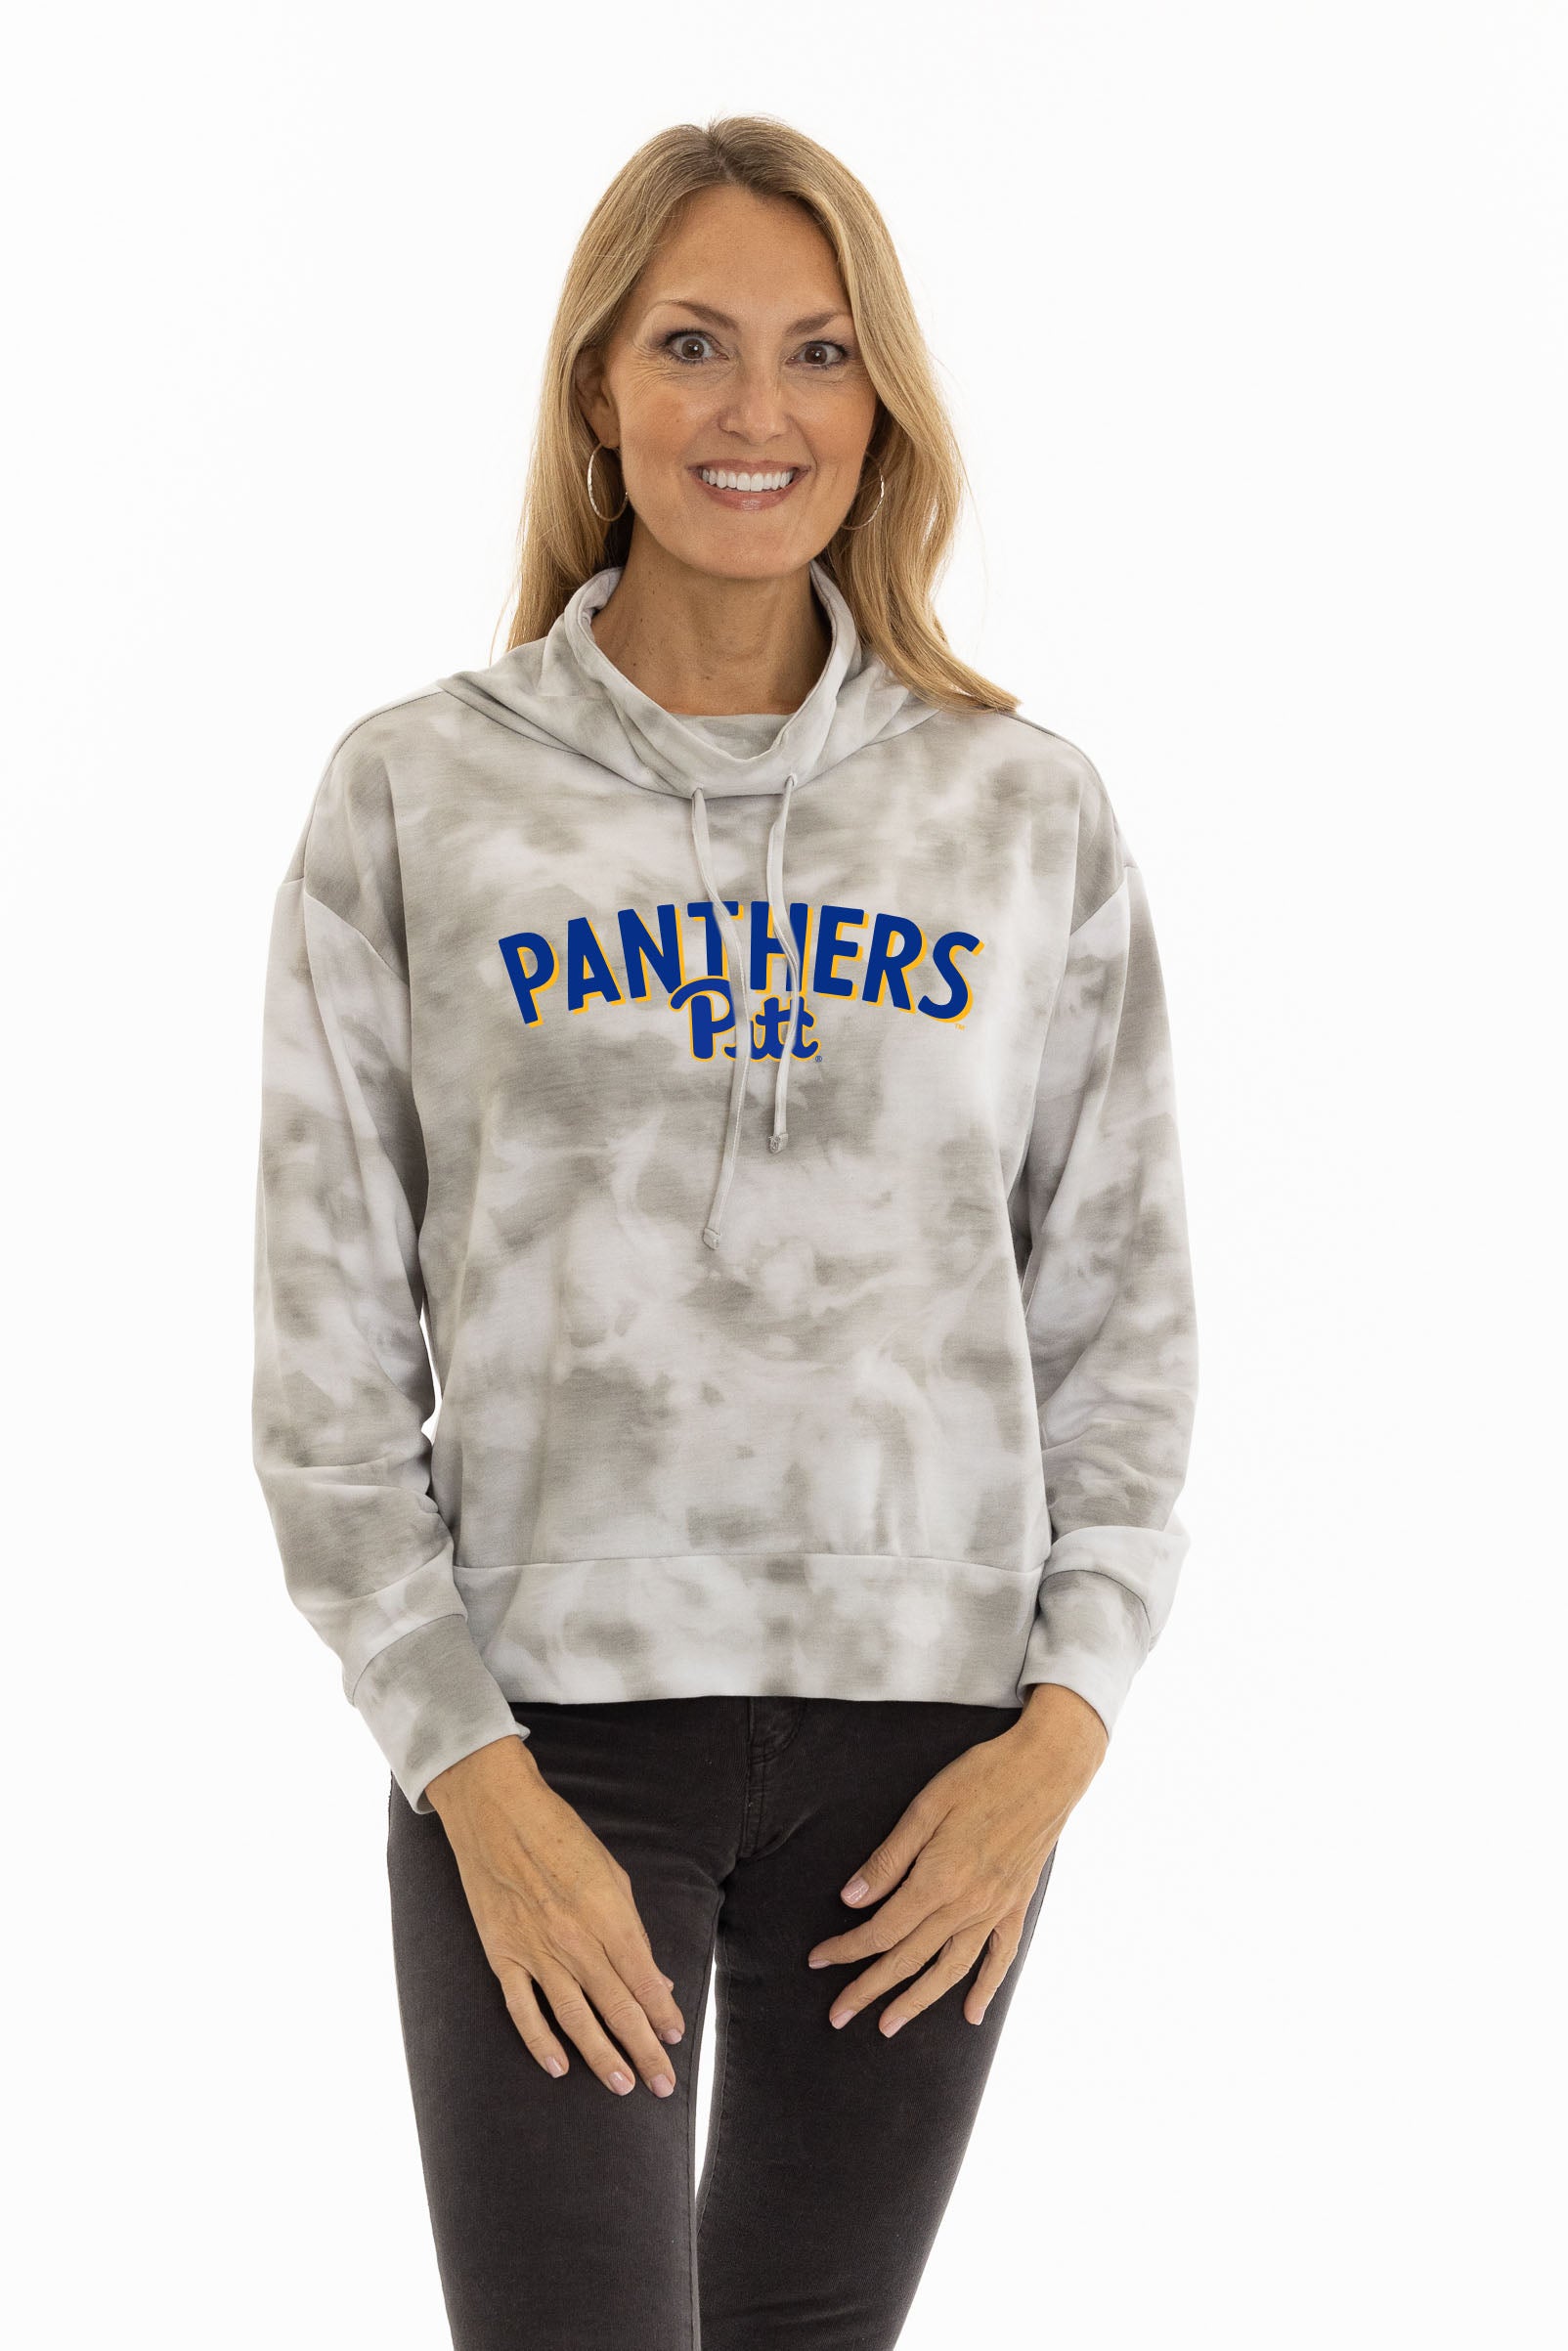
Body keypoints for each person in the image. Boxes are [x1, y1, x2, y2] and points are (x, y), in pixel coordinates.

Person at [251, 114, 1199, 2351]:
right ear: (599, 384)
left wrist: (1056, 1737)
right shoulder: (418, 792)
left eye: (817, 351)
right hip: (547, 1746)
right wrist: (465, 1771)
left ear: (881, 409)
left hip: (932, 1764)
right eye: (690, 344)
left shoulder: (1016, 808)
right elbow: (322, 1359)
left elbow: (1121, 1319)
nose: (751, 409)